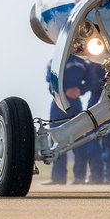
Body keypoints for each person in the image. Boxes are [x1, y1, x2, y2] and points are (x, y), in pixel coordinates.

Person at [44, 55, 102, 185]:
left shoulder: (56, 61)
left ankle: (67, 177)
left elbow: (92, 81)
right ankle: (68, 177)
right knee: (61, 140)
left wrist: (78, 91)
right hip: (63, 103)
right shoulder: (81, 63)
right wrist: (76, 90)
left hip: (64, 103)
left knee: (74, 140)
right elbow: (50, 80)